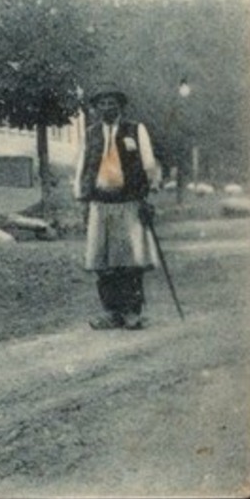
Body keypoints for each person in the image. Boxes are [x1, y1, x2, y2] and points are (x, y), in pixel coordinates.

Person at [71, 82, 161, 330]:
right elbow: (82, 166)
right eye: (102, 103)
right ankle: (112, 312)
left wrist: (148, 192)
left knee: (131, 260)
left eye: (112, 103)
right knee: (103, 262)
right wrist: (82, 197)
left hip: (129, 202)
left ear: (120, 106)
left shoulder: (134, 130)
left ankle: (132, 311)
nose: (107, 107)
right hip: (100, 203)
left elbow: (148, 163)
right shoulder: (91, 134)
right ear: (96, 108)